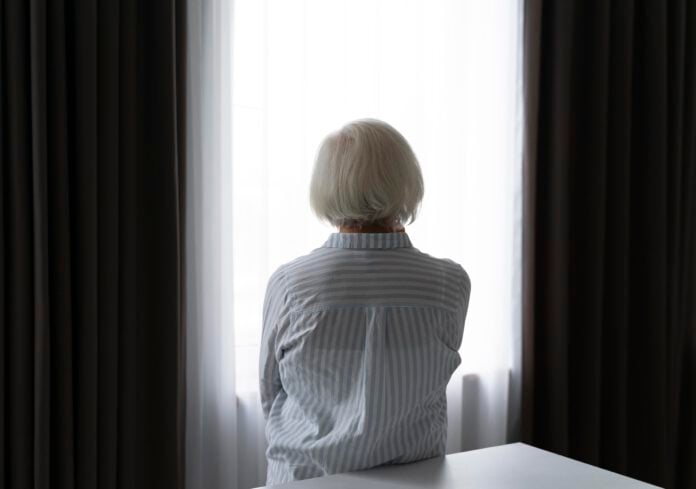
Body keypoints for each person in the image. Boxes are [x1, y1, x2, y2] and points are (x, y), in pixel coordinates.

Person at [259, 118, 471, 485]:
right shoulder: (450, 284)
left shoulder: (291, 284)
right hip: (418, 481)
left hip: (305, 479)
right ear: (407, 180)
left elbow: (269, 390)